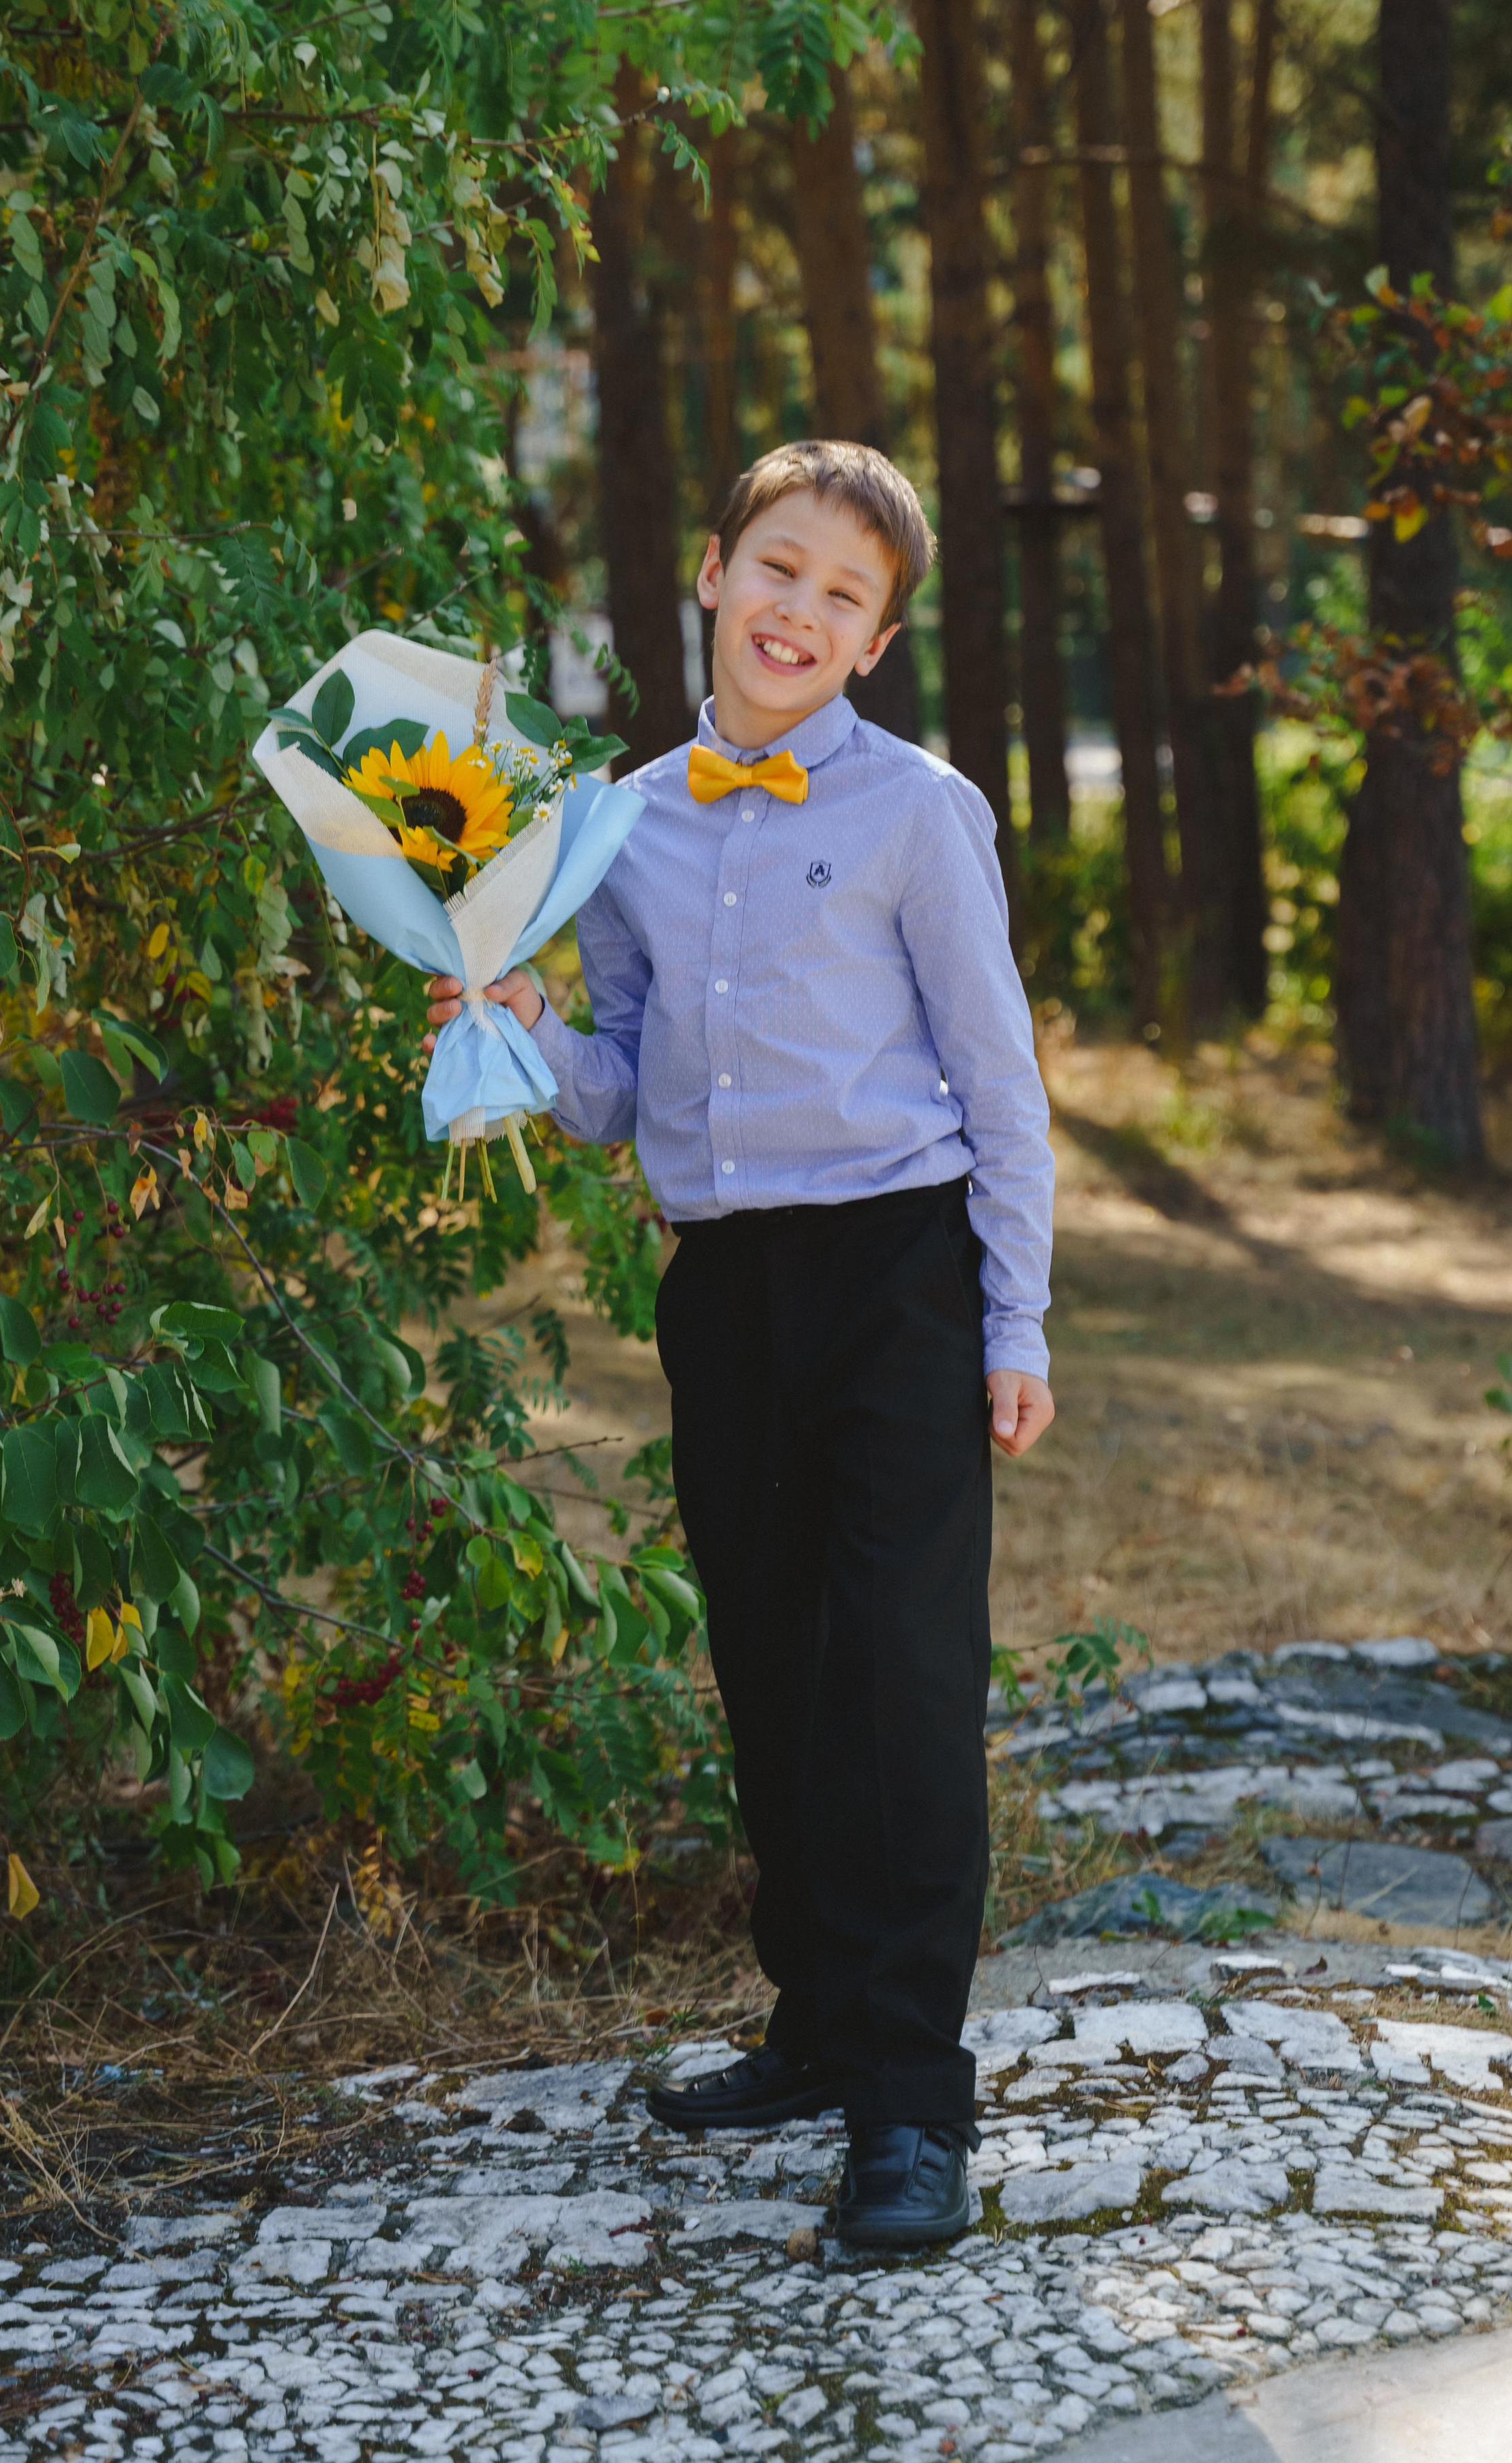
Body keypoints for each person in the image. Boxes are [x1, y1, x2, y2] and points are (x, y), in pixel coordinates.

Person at [428, 440, 1056, 2251]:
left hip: (900, 1277)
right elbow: (622, 1099)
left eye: (845, 595)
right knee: (772, 1666)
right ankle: (815, 2023)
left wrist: (1012, 1321)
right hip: (726, 1291)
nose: (802, 608)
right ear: (713, 574)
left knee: (906, 1679)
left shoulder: (919, 815)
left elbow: (1002, 1092)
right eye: (779, 568)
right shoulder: (627, 822)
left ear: (873, 645)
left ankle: (913, 2102)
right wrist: (521, 1018)